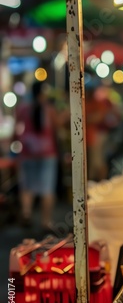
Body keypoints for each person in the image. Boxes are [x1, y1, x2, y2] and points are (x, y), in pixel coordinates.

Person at [15, 81, 68, 230]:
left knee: (27, 186)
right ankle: (46, 221)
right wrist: (65, 114)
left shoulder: (23, 108)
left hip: (27, 153)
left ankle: (26, 213)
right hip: (47, 154)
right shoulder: (49, 109)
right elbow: (57, 125)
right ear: (43, 93)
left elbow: (16, 130)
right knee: (47, 188)